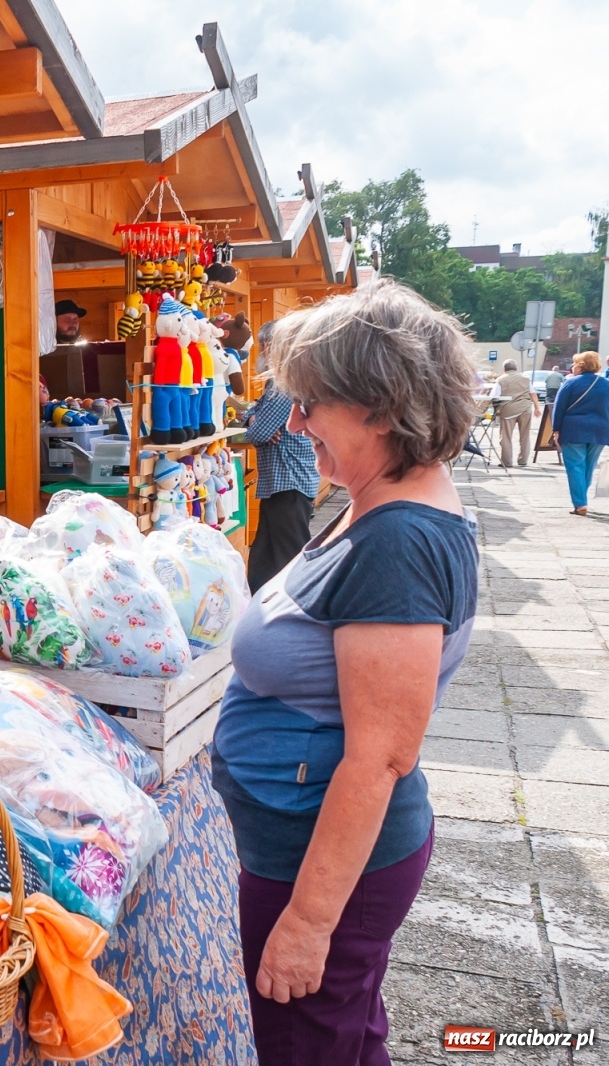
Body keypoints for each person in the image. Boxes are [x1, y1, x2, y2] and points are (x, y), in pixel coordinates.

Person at [213, 280, 478, 1066]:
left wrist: (307, 922)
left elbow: (380, 757)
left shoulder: (397, 541)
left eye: (311, 402)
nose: (294, 422)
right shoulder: (381, 499)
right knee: (347, 1036)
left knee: (307, 1046)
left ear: (383, 407)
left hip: (318, 865)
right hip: (302, 845)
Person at [242, 331, 319, 592]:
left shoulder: (283, 383)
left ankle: (304, 613)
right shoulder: (290, 378)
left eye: (263, 347)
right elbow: (254, 413)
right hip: (283, 482)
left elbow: (259, 432)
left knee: (292, 557)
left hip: (288, 481)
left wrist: (255, 422)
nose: (260, 354)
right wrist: (253, 417)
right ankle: (260, 611)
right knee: (264, 558)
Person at [550, 350, 609, 515]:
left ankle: (580, 503)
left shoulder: (570, 383)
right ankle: (581, 498)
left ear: (581, 366)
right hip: (600, 432)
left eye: (575, 363)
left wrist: (556, 429)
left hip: (574, 430)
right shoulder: (606, 384)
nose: (573, 366)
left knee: (575, 467)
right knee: (588, 467)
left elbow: (559, 407)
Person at [493, 358, 541, 468]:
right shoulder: (525, 378)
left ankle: (507, 462)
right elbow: (533, 393)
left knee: (506, 437)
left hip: (508, 410)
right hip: (525, 408)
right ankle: (523, 460)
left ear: (504, 369)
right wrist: (537, 408)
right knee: (525, 435)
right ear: (516, 368)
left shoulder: (500, 380)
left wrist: (496, 410)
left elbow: (495, 396)